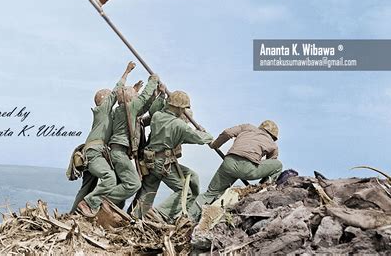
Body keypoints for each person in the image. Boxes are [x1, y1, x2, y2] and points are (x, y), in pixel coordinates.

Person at [135, 90, 213, 223]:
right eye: (183, 108)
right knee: (185, 191)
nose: (183, 111)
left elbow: (180, 136)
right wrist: (205, 134)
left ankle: (137, 218)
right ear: (178, 107)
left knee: (149, 190)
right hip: (163, 162)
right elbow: (198, 139)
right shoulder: (179, 125)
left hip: (150, 160)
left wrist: (161, 95)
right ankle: (160, 214)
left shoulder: (157, 116)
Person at [72, 62, 136, 217]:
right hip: (94, 153)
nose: (112, 99)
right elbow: (116, 92)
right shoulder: (102, 110)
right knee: (109, 177)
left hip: (93, 153)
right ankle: (90, 204)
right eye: (109, 97)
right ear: (103, 99)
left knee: (87, 186)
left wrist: (134, 91)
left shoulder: (106, 115)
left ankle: (73, 214)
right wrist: (127, 72)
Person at [188, 120, 283, 222]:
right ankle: (262, 190)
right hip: (248, 169)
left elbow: (227, 133)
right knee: (278, 165)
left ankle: (188, 218)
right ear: (273, 136)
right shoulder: (273, 145)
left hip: (228, 163)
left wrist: (215, 145)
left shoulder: (247, 127)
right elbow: (270, 163)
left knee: (210, 193)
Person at [104, 73, 159, 207]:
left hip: (118, 152)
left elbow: (144, 106)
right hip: (120, 152)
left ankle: (108, 205)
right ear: (130, 98)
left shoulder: (121, 110)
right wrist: (152, 81)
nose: (137, 97)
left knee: (122, 184)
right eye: (135, 96)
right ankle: (100, 200)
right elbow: (143, 98)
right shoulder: (129, 107)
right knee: (133, 184)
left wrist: (155, 95)